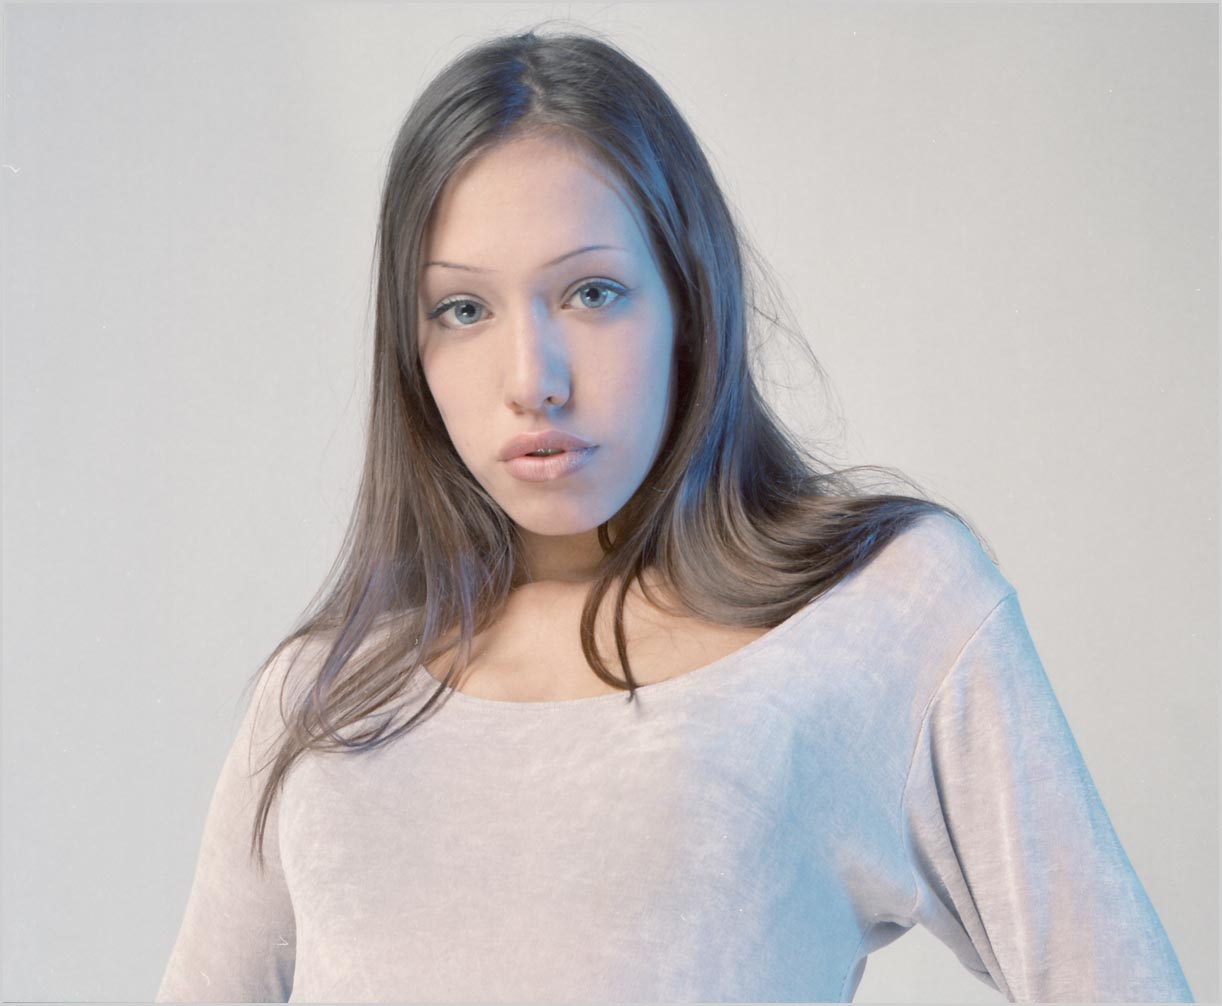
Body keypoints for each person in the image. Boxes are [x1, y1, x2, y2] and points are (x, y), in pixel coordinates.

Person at [155, 23, 1194, 1004]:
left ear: (689, 303)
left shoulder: (887, 613)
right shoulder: (325, 693)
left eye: (591, 293)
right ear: (410, 350)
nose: (531, 379)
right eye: (462, 309)